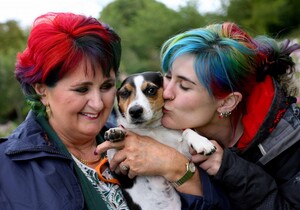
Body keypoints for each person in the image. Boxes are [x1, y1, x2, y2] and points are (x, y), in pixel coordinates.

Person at [96, 22, 300, 209]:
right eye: (168, 77)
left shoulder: (290, 143)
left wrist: (228, 168)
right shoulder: (177, 129)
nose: (165, 93)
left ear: (227, 102)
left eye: (184, 86)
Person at [0, 12, 127, 210]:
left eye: (106, 86)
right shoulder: (5, 169)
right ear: (41, 90)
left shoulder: (133, 145)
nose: (98, 104)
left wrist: (178, 171)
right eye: (81, 89)